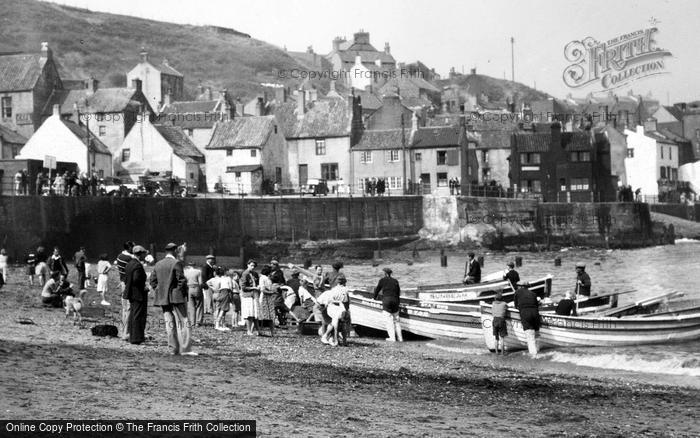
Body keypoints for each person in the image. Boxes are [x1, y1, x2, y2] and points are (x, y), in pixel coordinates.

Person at [150, 243, 196, 356]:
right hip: (177, 297)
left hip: (163, 298)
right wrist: (179, 292)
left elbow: (152, 281)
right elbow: (181, 280)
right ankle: (185, 349)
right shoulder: (176, 263)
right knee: (184, 322)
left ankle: (173, 349)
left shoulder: (158, 264)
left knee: (169, 323)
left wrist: (161, 291)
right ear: (175, 250)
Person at [124, 246, 149, 344]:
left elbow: (127, 279)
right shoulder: (138, 265)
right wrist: (144, 287)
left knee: (133, 315)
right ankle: (137, 338)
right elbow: (136, 279)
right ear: (140, 254)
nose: (145, 255)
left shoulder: (129, 264)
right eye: (144, 254)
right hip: (138, 293)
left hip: (131, 293)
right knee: (138, 316)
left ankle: (132, 336)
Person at [317, 278, 350, 346]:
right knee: (337, 323)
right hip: (333, 308)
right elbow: (346, 302)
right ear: (344, 283)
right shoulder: (344, 290)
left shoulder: (333, 290)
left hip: (330, 307)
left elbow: (325, 302)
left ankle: (332, 338)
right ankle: (332, 338)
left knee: (336, 323)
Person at [373, 267, 403, 342]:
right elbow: (398, 292)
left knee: (389, 320)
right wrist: (398, 302)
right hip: (395, 301)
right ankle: (400, 338)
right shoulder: (395, 281)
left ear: (385, 273)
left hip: (387, 301)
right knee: (397, 320)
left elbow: (377, 290)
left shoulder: (382, 280)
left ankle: (392, 338)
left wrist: (374, 298)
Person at [513, 280, 540, 358]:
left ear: (521, 286)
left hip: (525, 314)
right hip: (535, 314)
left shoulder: (517, 292)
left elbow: (515, 305)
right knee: (536, 333)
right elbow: (536, 305)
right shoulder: (533, 294)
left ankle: (534, 355)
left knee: (530, 335)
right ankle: (538, 350)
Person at [116, 241, 135, 341]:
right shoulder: (130, 258)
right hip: (128, 284)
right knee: (128, 309)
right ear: (130, 248)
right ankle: (126, 332)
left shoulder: (119, 256)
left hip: (122, 282)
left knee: (124, 309)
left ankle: (123, 329)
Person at [208, 267, 232, 331]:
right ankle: (217, 324)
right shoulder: (228, 278)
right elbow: (230, 287)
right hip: (226, 292)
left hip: (220, 293)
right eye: (228, 271)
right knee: (223, 310)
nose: (229, 272)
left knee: (220, 309)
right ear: (225, 272)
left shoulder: (220, 278)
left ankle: (222, 325)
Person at [240, 259, 260, 336]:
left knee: (255, 314)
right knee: (249, 314)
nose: (252, 267)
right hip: (248, 295)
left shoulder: (255, 274)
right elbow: (244, 287)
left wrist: (257, 286)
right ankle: (249, 330)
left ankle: (257, 330)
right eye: (251, 265)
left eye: (254, 266)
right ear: (248, 265)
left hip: (255, 295)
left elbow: (257, 283)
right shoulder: (245, 274)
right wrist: (253, 288)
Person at [258, 265, 276, 337]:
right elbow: (262, 289)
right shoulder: (263, 278)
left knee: (270, 315)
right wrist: (272, 292)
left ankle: (271, 332)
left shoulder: (267, 278)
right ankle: (261, 330)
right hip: (264, 297)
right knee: (263, 315)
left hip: (269, 297)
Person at [184, 260, 203, 327]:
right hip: (197, 288)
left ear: (189, 266)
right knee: (199, 305)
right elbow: (200, 283)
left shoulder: (185, 272)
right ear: (195, 265)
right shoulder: (198, 271)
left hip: (189, 288)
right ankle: (198, 322)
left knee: (191, 306)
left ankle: (192, 322)